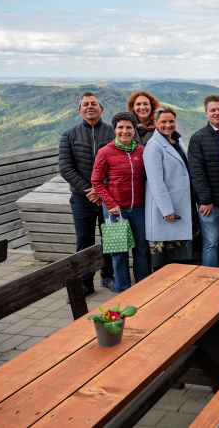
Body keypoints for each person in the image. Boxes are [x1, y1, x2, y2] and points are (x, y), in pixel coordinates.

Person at [58, 91, 115, 295]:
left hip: (108, 196)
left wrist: (102, 191)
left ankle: (108, 277)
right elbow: (66, 168)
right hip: (82, 198)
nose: (89, 107)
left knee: (110, 237)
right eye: (85, 104)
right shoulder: (69, 135)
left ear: (101, 108)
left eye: (93, 104)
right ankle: (85, 283)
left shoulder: (112, 132)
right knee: (84, 240)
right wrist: (90, 191)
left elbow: (118, 165)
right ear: (80, 109)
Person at [91, 112, 150, 292]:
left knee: (142, 249)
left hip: (139, 209)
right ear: (115, 129)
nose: (125, 131)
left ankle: (144, 286)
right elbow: (96, 181)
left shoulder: (142, 151)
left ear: (134, 129)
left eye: (129, 127)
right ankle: (124, 289)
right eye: (120, 127)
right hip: (115, 211)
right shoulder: (105, 151)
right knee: (119, 252)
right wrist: (110, 204)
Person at [143, 106, 195, 268]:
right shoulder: (153, 146)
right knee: (164, 259)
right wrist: (167, 210)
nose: (168, 125)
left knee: (178, 259)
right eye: (163, 121)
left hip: (181, 203)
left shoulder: (176, 140)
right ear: (156, 123)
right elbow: (155, 182)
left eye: (171, 121)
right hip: (166, 209)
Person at [188, 95, 219, 268]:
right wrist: (205, 200)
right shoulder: (198, 138)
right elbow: (197, 172)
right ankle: (209, 281)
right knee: (211, 242)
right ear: (206, 113)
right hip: (210, 203)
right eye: (213, 110)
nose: (217, 113)